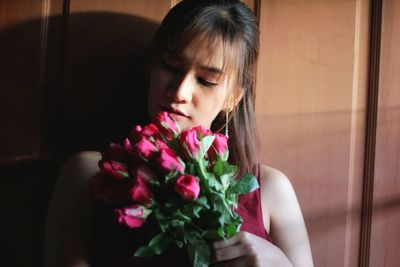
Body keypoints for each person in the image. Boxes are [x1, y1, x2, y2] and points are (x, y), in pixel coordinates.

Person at [44, 0, 314, 266]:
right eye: (171, 67)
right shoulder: (91, 173)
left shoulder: (270, 189)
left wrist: (280, 264)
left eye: (206, 81)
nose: (180, 92)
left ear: (233, 97)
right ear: (151, 68)